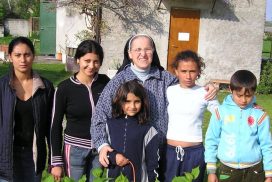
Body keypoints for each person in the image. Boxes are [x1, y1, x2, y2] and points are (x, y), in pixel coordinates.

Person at [91, 34, 217, 179]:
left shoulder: (167, 79)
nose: (143, 54)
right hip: (130, 154)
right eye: (138, 49)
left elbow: (188, 85)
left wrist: (209, 88)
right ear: (129, 54)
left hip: (164, 153)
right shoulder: (118, 82)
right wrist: (102, 145)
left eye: (147, 49)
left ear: (153, 52)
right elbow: (99, 116)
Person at [50, 40, 110, 182]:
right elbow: (55, 125)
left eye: (96, 61)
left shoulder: (106, 83)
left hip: (100, 149)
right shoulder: (64, 88)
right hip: (75, 151)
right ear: (78, 60)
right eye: (87, 61)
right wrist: (56, 162)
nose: (91, 66)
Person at [0, 37, 54, 182]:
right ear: (10, 57)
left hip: (34, 155)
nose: (23, 59)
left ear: (33, 56)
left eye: (27, 54)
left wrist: (54, 161)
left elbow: (51, 126)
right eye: (18, 55)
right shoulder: (2, 87)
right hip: (6, 156)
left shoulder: (45, 87)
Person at [205, 70, 272, 182]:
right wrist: (211, 171)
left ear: (254, 92)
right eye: (239, 95)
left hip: (254, 171)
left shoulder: (260, 116)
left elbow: (267, 145)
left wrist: (269, 175)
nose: (244, 100)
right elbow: (211, 140)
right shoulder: (220, 112)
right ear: (231, 90)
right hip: (226, 170)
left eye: (248, 95)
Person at [163, 50, 219, 182]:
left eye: (192, 71)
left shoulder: (205, 92)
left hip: (195, 153)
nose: (188, 76)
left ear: (199, 71)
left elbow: (222, 114)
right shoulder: (169, 91)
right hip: (170, 153)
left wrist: (251, 106)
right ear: (176, 71)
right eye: (183, 71)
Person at [106, 80, 159, 181]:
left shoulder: (149, 130)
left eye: (137, 101)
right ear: (120, 101)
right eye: (127, 101)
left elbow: (153, 163)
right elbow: (104, 150)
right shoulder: (110, 124)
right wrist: (113, 157)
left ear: (143, 102)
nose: (133, 106)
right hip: (113, 178)